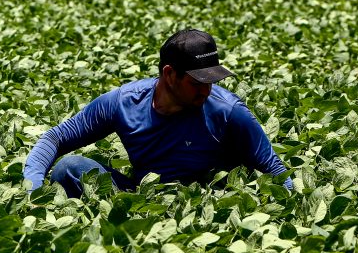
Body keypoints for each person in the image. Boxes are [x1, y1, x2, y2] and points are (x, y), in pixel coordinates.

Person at [23, 28, 292, 197]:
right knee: (69, 168)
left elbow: (274, 167)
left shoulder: (229, 112)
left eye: (212, 82)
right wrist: (33, 189)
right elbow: (55, 138)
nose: (206, 91)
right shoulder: (123, 103)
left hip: (205, 204)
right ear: (169, 74)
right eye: (197, 82)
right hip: (140, 199)